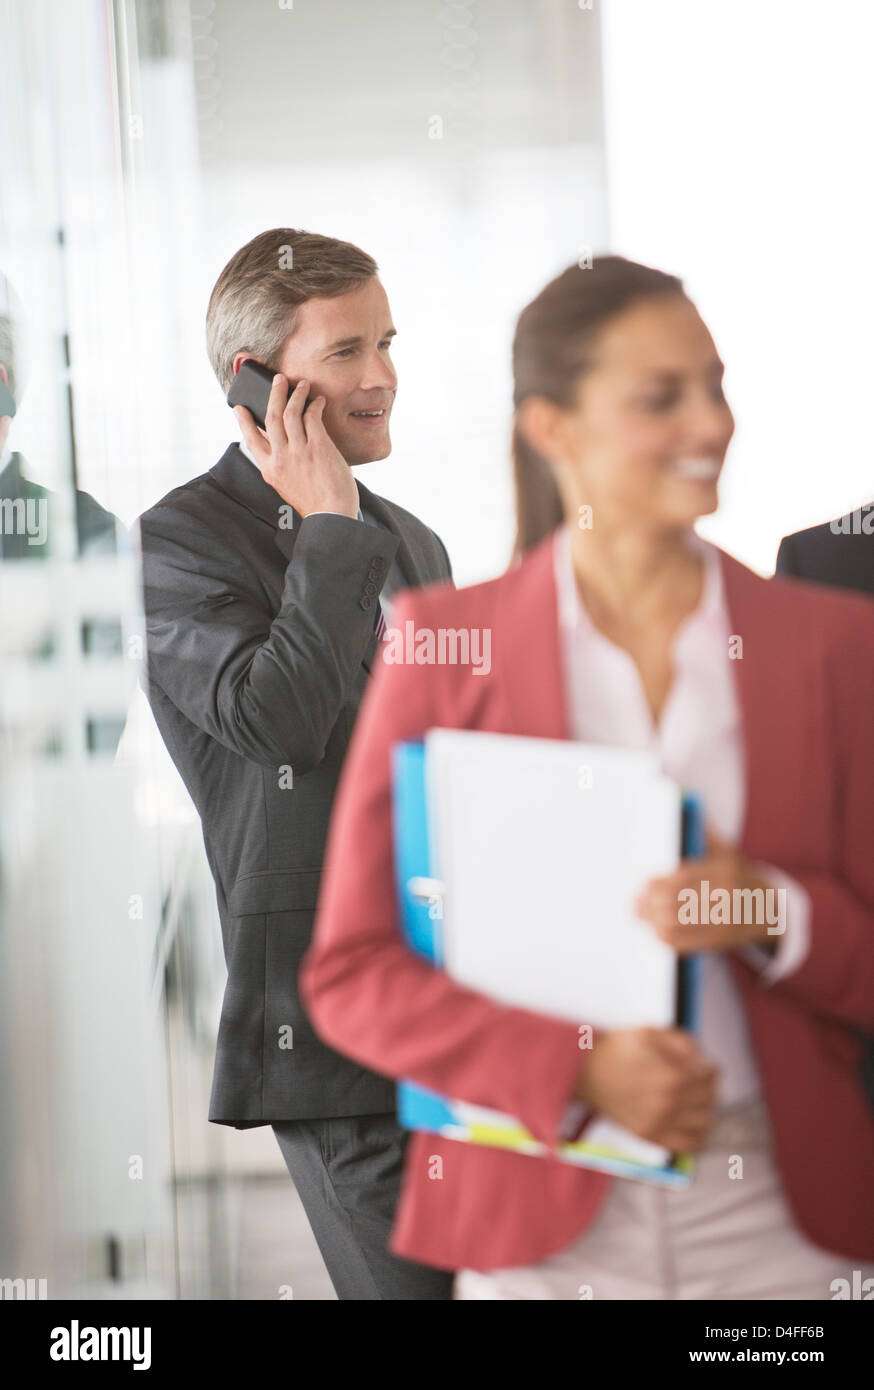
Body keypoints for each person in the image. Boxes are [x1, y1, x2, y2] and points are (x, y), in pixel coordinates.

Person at [300, 255, 874, 1299]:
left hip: (775, 1220)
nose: (710, 423)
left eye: (716, 384)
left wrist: (770, 909)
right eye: (661, 397)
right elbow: (353, 971)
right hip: (539, 1216)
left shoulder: (832, 647)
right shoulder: (444, 644)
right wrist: (576, 1069)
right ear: (552, 426)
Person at [138, 228, 453, 1300]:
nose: (382, 378)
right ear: (258, 383)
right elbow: (276, 722)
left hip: (451, 1011)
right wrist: (324, 525)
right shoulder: (178, 543)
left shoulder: (407, 539)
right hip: (331, 1036)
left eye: (387, 343)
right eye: (346, 352)